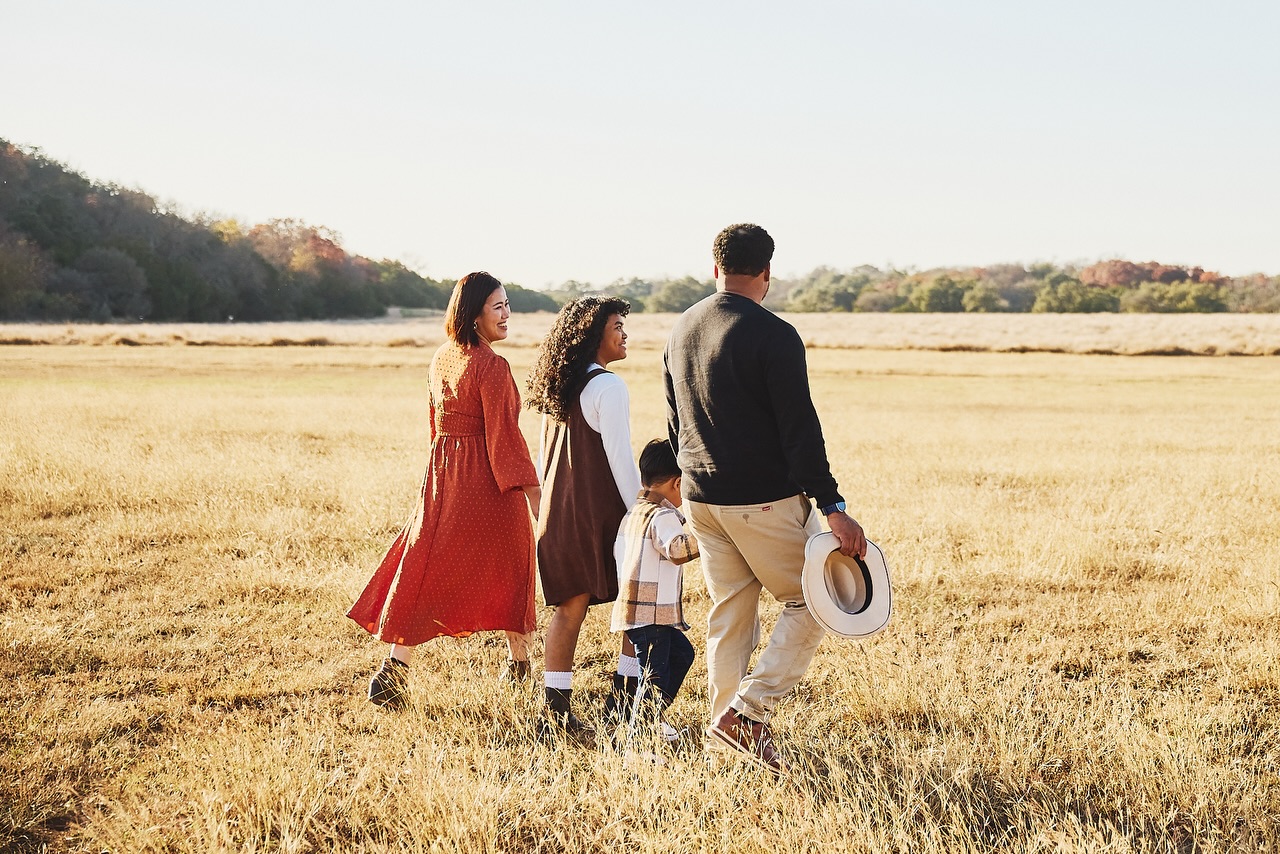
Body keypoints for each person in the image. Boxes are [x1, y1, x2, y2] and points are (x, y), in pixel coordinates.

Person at [663, 223, 867, 775]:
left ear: (715, 268)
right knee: (819, 598)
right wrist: (834, 507)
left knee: (730, 617)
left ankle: (722, 744)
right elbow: (799, 429)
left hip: (701, 497)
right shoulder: (775, 334)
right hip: (761, 501)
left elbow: (675, 422)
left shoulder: (681, 328)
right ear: (768, 272)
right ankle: (746, 715)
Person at [347, 271, 541, 709]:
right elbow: (505, 438)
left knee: (426, 563)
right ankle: (520, 664)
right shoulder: (492, 366)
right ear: (474, 314)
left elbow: (436, 424)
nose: (507, 313)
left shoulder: (442, 357)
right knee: (512, 564)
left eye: (508, 304)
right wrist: (534, 494)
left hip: (444, 472)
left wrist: (446, 463)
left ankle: (396, 667)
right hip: (488, 482)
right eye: (498, 307)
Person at [526, 296, 642, 735]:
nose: (625, 333)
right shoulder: (610, 387)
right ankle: (625, 705)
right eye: (617, 326)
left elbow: (543, 461)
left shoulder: (560, 386)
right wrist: (643, 515)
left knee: (569, 609)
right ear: (595, 335)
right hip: (600, 514)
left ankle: (554, 715)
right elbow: (620, 460)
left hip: (559, 514)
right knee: (638, 609)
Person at [610, 439, 699, 750]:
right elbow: (676, 549)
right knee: (655, 676)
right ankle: (641, 740)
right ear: (677, 483)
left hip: (640, 611)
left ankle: (652, 720)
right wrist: (707, 536)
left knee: (681, 655)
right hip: (649, 613)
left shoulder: (634, 513)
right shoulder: (662, 517)